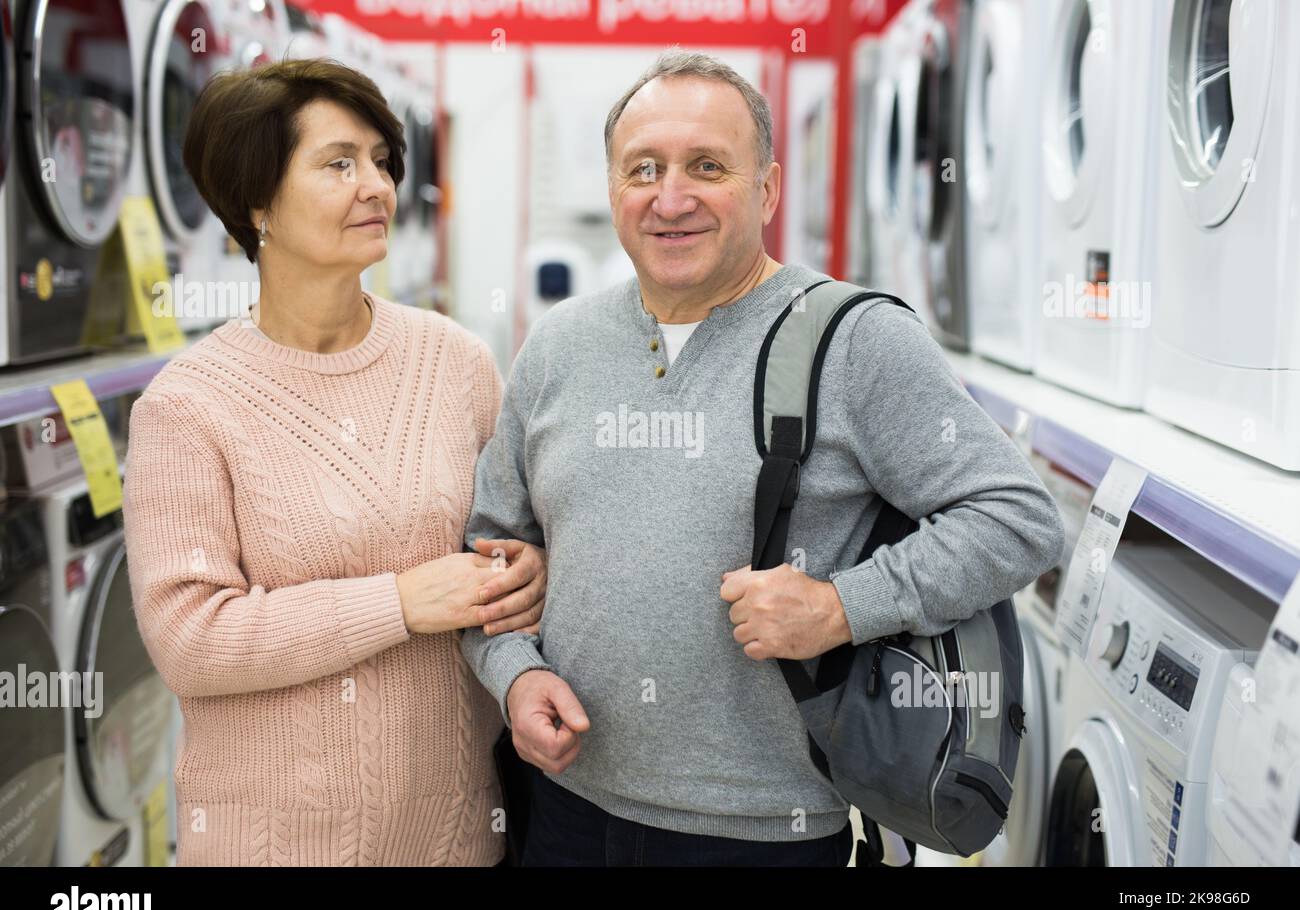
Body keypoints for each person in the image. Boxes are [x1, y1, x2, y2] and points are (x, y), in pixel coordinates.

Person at [462, 50, 1065, 867]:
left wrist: (841, 606)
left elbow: (1020, 520)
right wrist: (514, 675)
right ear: (613, 191)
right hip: (566, 811)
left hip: (767, 834)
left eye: (707, 167)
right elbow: (492, 548)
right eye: (644, 169)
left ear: (768, 190)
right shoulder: (559, 345)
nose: (671, 199)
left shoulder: (856, 342)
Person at [122, 59, 545, 866]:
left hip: (456, 834)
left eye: (383, 160)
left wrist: (530, 569)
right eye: (338, 163)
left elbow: (510, 539)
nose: (377, 186)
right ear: (256, 205)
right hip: (274, 846)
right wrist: (400, 602)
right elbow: (191, 639)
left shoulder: (453, 360)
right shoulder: (187, 406)